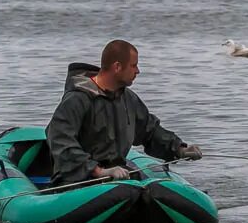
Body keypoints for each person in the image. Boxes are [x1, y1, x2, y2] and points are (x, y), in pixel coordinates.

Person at [46, 40, 202, 186]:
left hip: (118, 176)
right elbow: (61, 141)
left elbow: (150, 131)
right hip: (78, 180)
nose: (138, 71)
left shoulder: (128, 99)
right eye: (133, 66)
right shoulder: (78, 99)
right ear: (117, 67)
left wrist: (179, 149)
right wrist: (98, 171)